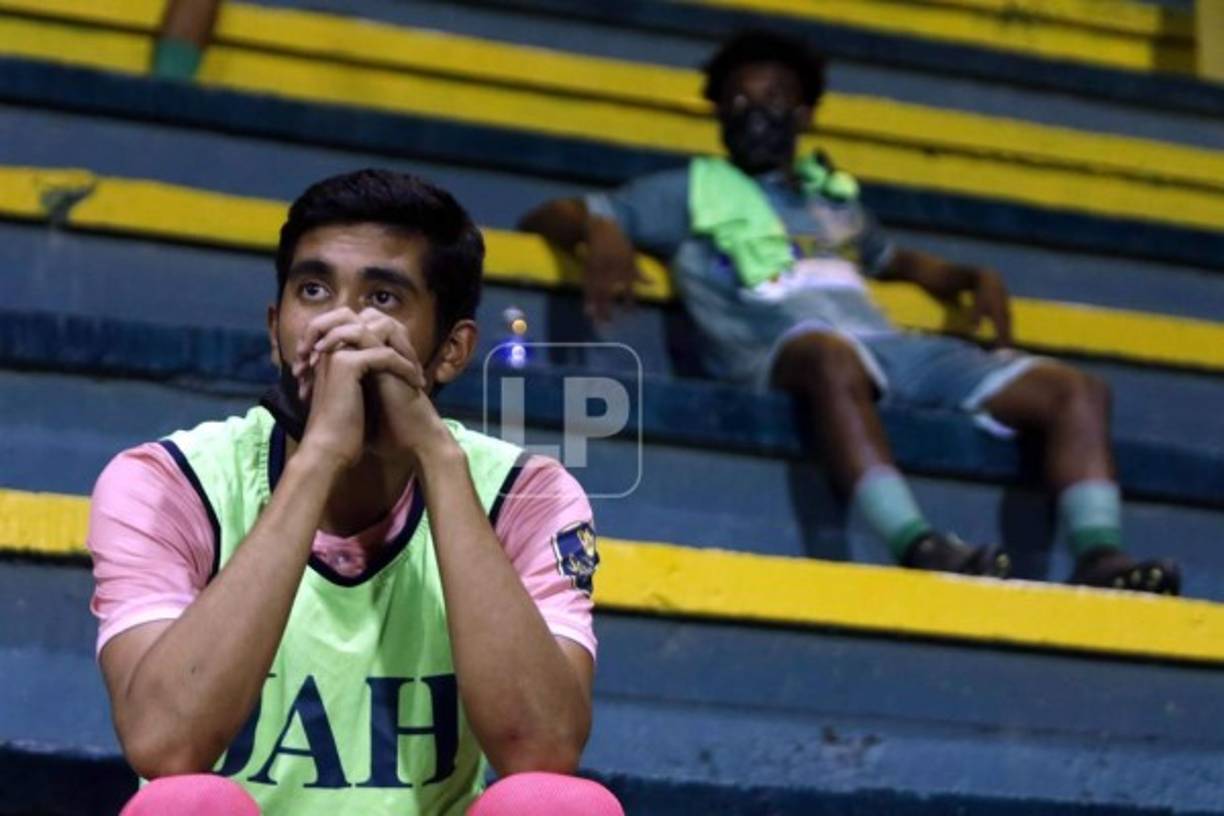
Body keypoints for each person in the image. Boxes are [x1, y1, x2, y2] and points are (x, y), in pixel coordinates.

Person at [519, 30, 1179, 594]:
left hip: (886, 347)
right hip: (784, 350)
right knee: (830, 355)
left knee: (1076, 389)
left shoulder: (831, 200)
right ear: (719, 113)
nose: (755, 112)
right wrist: (601, 228)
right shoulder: (690, 187)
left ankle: (1100, 555)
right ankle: (918, 545)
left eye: (773, 99)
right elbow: (551, 213)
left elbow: (890, 258)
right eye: (739, 100)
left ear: (804, 114)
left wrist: (961, 276)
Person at [87, 169, 624, 815]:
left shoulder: (526, 494)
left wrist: (436, 457)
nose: (339, 325)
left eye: (383, 299)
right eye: (313, 290)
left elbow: (543, 749)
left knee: (558, 805)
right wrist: (319, 457)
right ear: (274, 326)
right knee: (181, 804)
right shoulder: (168, 482)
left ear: (451, 352)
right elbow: (165, 744)